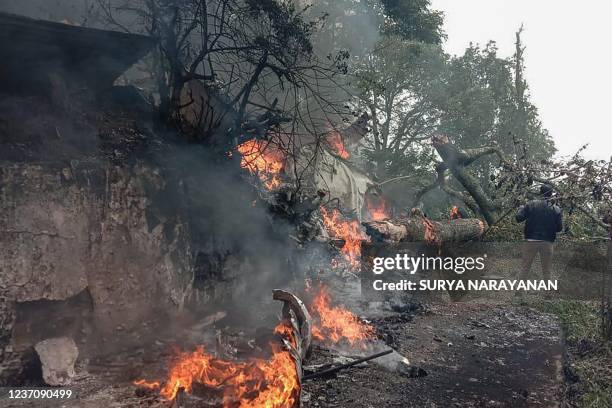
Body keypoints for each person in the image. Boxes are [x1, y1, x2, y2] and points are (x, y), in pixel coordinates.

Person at [515, 184, 563, 281]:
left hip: (531, 241)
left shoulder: (530, 204)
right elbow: (559, 228)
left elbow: (518, 218)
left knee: (525, 267)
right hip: (547, 242)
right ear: (551, 194)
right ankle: (547, 294)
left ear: (540, 192)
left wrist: (520, 207)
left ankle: (518, 292)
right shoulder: (556, 209)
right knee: (547, 270)